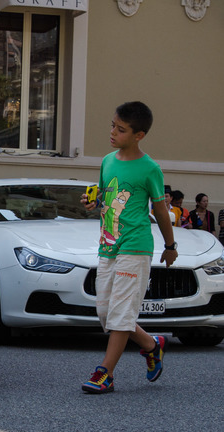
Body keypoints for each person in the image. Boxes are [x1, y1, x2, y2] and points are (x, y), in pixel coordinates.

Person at [80, 101, 177, 394]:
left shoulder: (150, 169)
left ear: (139, 135)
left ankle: (104, 373)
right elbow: (103, 201)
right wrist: (91, 204)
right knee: (106, 313)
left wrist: (170, 245)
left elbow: (160, 211)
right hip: (107, 245)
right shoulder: (108, 161)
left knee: (121, 313)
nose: (112, 132)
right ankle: (151, 344)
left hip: (135, 245)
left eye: (120, 129)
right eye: (112, 125)